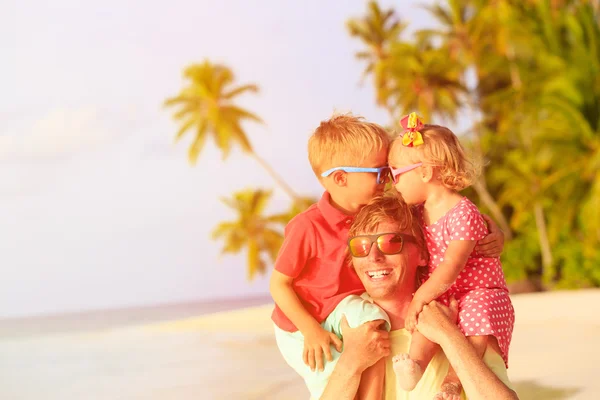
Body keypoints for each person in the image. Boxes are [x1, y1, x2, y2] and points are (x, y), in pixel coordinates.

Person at [321, 195, 517, 400]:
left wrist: (448, 335)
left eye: (389, 242)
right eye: (360, 246)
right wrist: (349, 364)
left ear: (422, 253)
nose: (373, 257)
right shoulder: (345, 326)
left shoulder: (467, 322)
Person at [387, 113, 515, 399]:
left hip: (477, 289)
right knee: (424, 321)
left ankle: (453, 381)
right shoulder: (418, 213)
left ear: (424, 172)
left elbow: (451, 266)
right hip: (442, 290)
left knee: (477, 320)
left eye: (396, 173)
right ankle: (415, 365)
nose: (394, 183)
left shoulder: (463, 212)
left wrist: (419, 298)